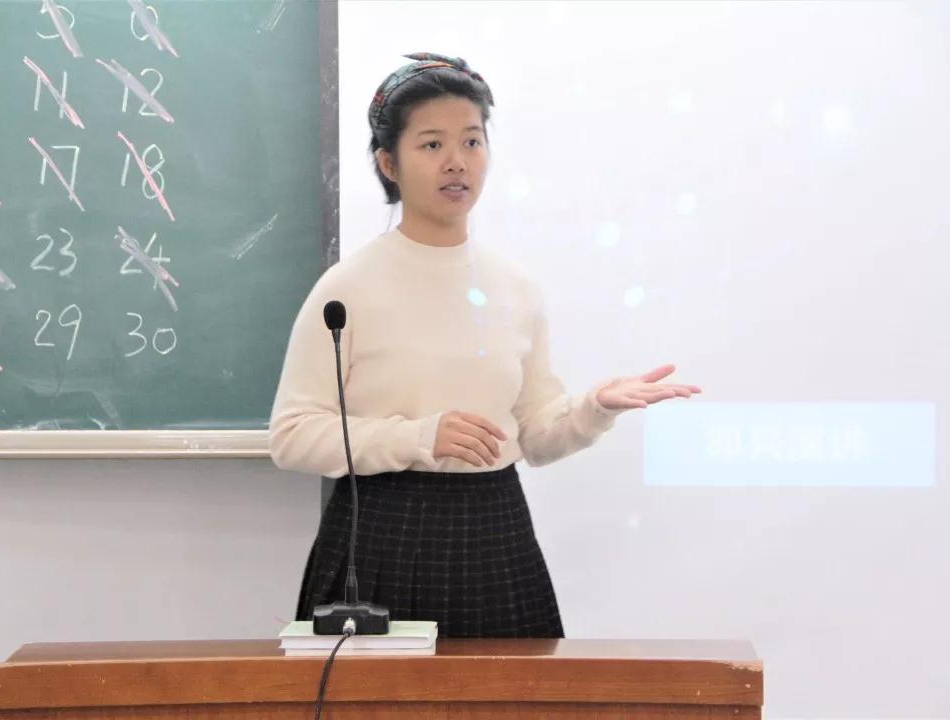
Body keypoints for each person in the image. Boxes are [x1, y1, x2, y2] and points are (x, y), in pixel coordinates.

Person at [270, 52, 700, 638]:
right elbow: (292, 435)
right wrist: (418, 437)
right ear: (388, 162)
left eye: (472, 142)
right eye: (432, 145)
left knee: (512, 689)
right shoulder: (347, 288)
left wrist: (593, 408)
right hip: (381, 534)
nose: (457, 162)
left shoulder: (514, 287)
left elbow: (536, 437)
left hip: (495, 532)